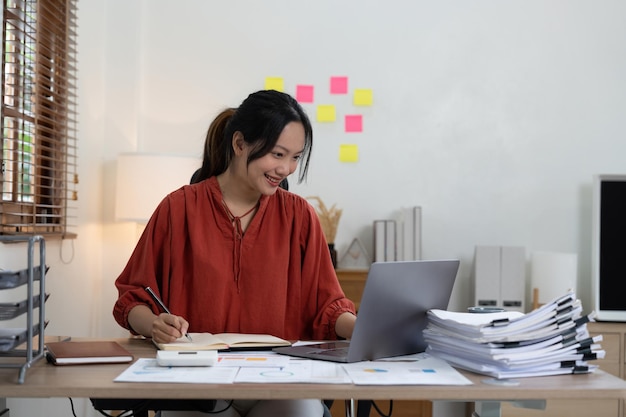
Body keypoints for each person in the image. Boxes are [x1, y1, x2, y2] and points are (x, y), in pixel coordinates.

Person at [113, 90, 357, 417]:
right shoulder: (177, 208)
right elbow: (132, 297)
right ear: (240, 144)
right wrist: (155, 324)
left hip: (280, 381)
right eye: (277, 154)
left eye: (295, 157)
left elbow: (327, 307)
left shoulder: (301, 217)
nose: (286, 168)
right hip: (197, 379)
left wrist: (364, 328)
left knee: (304, 412)